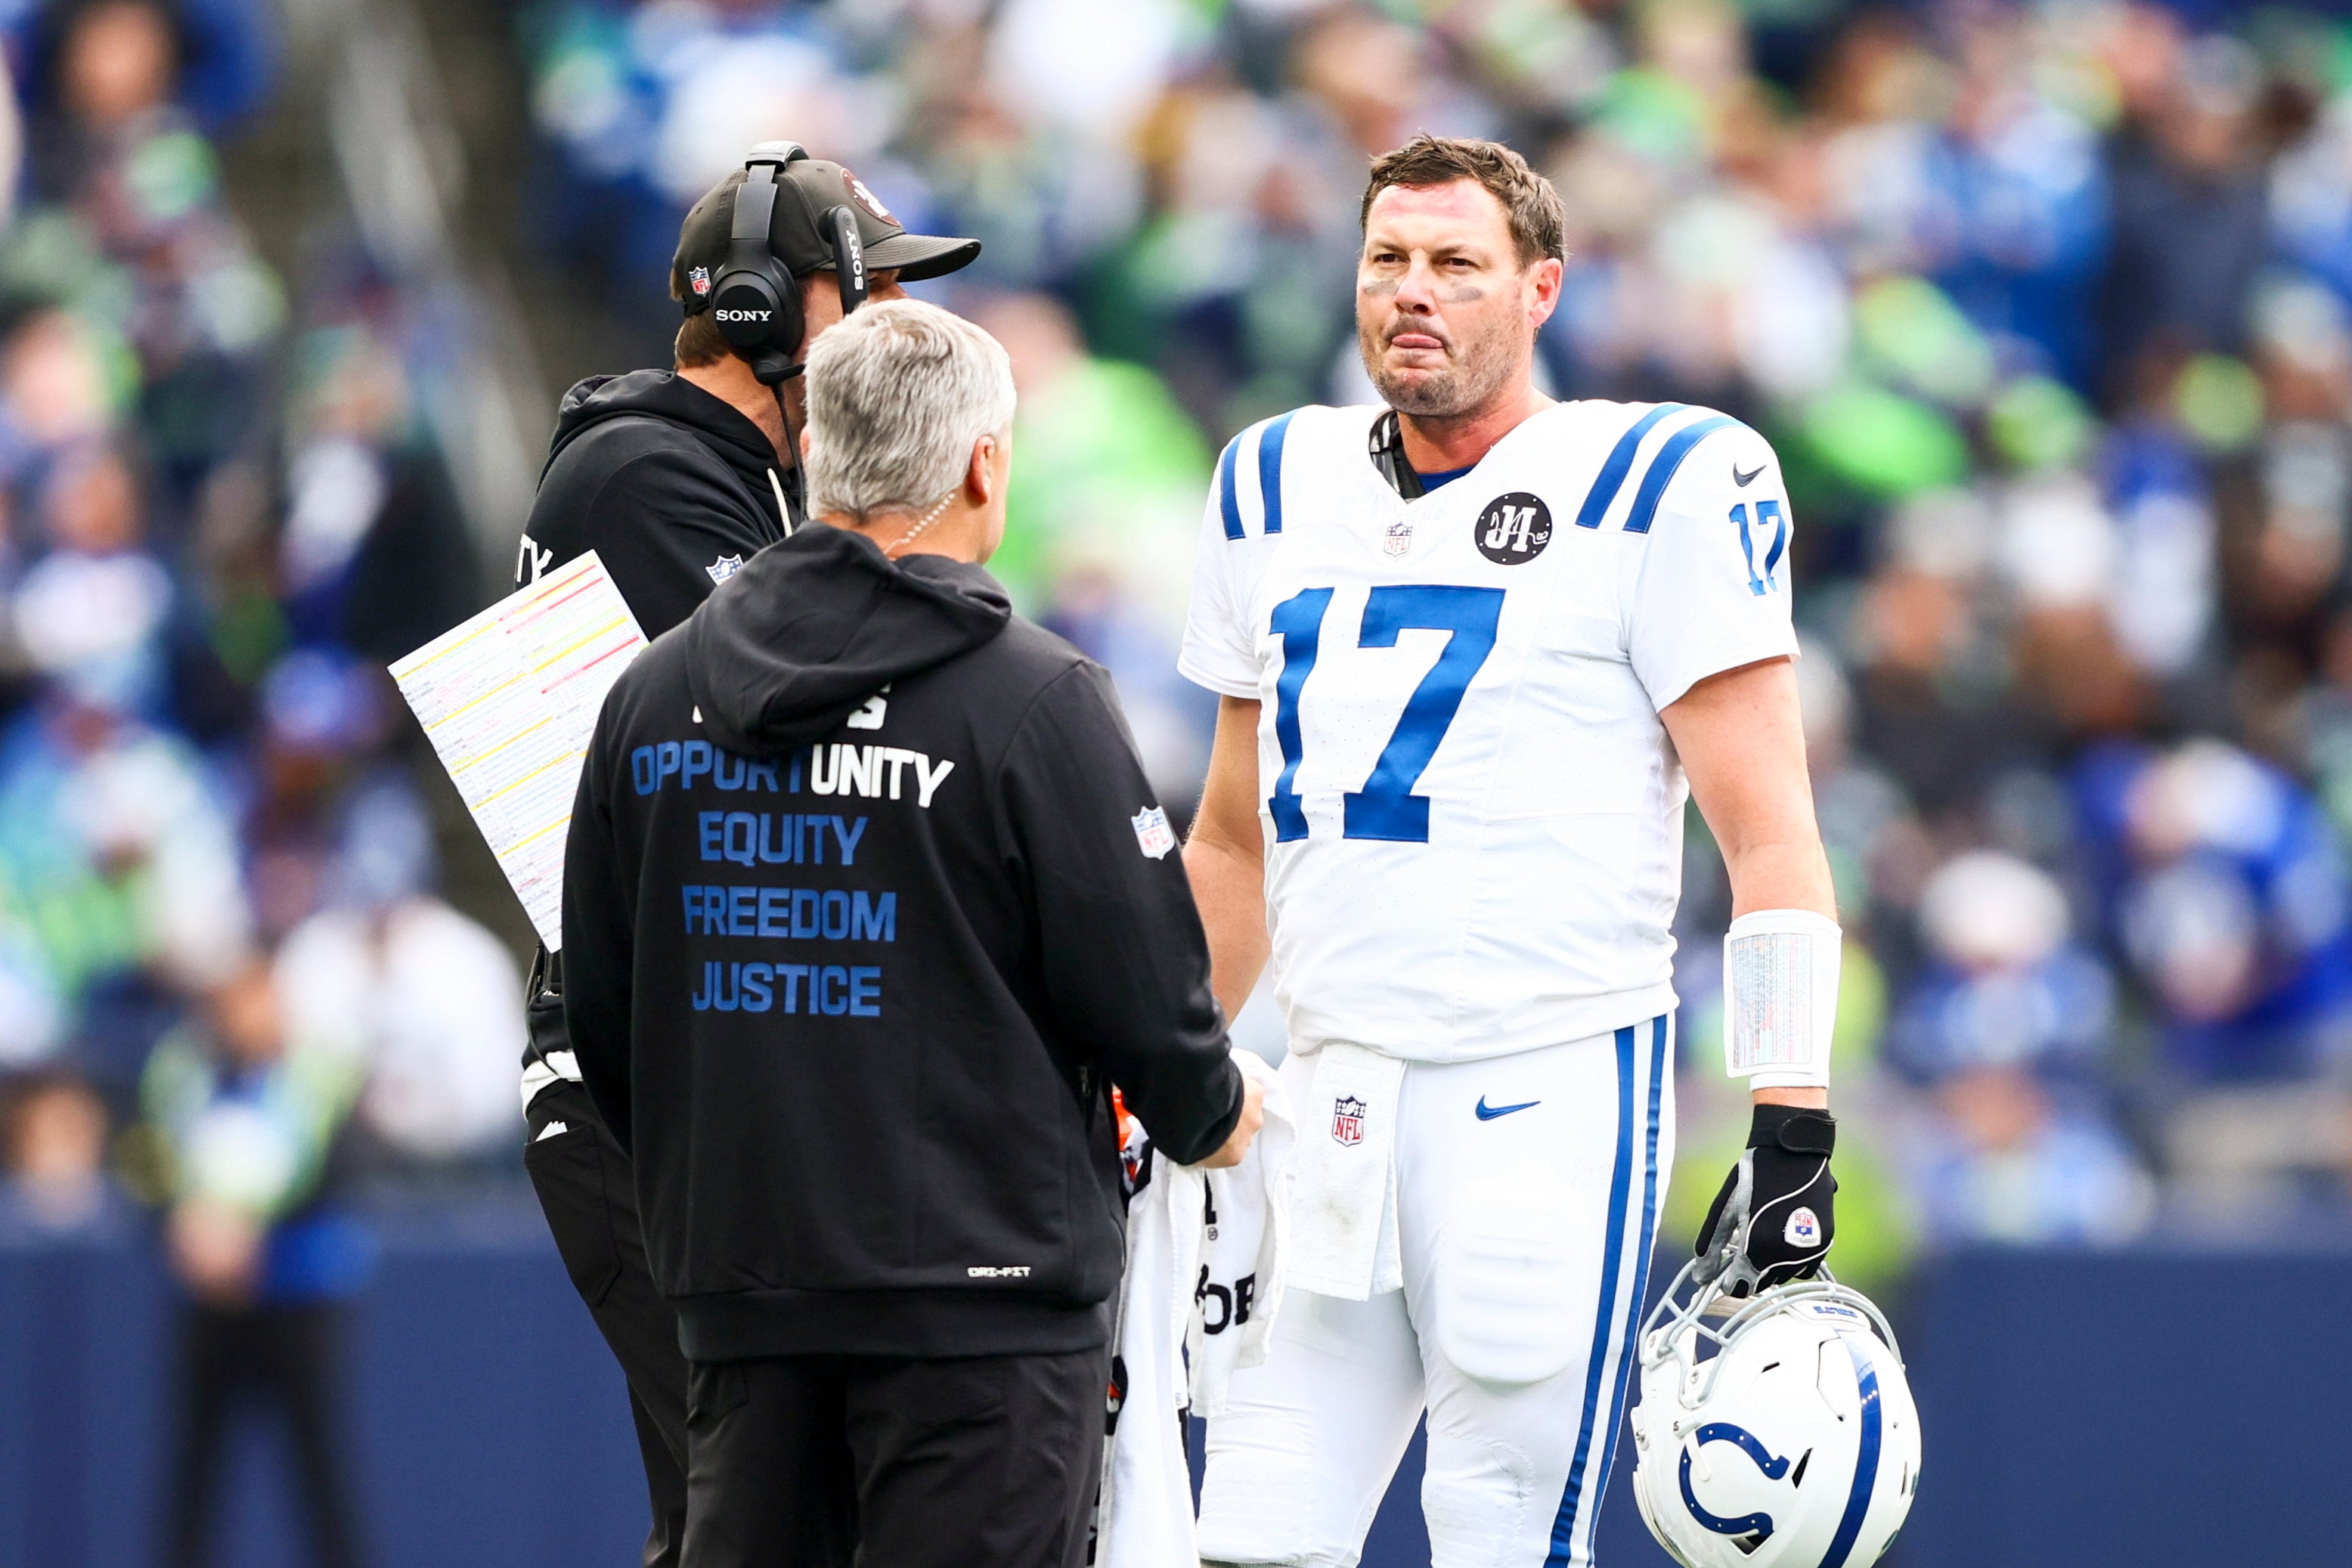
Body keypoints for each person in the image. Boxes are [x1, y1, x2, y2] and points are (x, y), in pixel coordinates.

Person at [1178, 135, 1843, 1568]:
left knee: (1498, 1537)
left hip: (1545, 1096)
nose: (1412, 293)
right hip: (1330, 1097)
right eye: (1388, 261)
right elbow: (1233, 840)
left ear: (1540, 291)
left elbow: (1770, 829)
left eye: (1456, 264)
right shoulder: (1272, 484)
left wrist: (1792, 1117)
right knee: (1247, 1536)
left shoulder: (1659, 480)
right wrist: (1148, 1055)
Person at [561, 298, 1263, 1568]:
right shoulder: (1035, 699)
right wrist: (1209, 1108)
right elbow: (1145, 984)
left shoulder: (651, 693)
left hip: (740, 1300)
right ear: (985, 464)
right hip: (982, 1323)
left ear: (818, 451)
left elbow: (607, 1008)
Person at [513, 144, 980, 1568]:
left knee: (750, 1525)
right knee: (760, 1524)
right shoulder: (642, 476)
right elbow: (804, 733)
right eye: (874, 293)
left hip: (693, 1086)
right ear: (776, 313)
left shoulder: (705, 477)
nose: (897, 331)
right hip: (638, 1101)